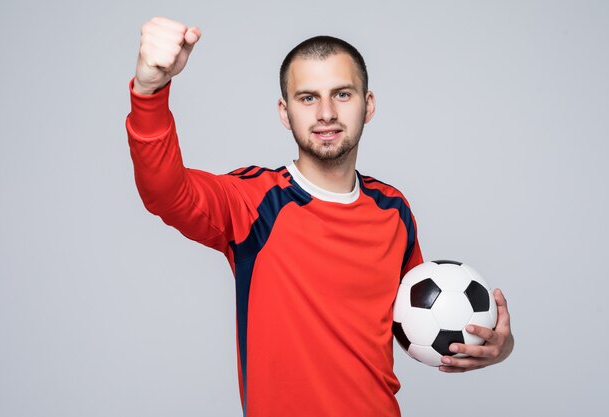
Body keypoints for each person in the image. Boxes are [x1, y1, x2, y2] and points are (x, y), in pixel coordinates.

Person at [125, 16, 514, 417]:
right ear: (284, 111)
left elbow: (417, 324)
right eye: (308, 97)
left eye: (342, 94)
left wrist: (493, 344)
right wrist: (149, 91)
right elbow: (165, 191)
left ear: (369, 104)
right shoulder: (253, 202)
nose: (326, 112)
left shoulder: (393, 209)